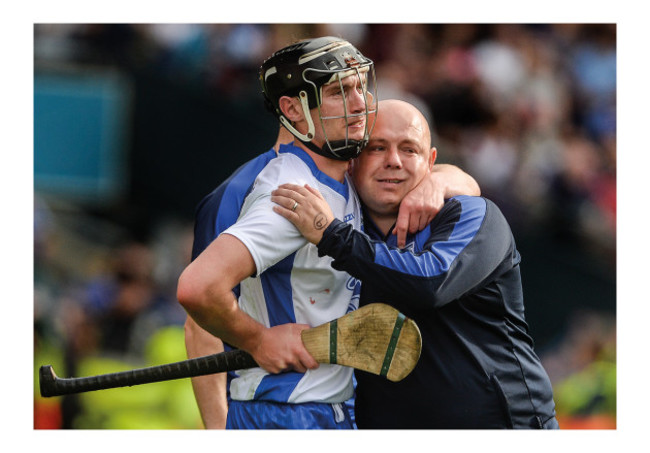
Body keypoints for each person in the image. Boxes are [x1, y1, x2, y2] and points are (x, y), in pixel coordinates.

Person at [178, 37, 480, 429]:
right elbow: (197, 292)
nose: (359, 104)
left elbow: (460, 181)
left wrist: (435, 183)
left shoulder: (343, 177)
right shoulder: (289, 197)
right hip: (285, 414)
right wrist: (258, 341)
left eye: (359, 86)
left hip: (331, 410)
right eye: (339, 91)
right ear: (293, 110)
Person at [272, 99, 559, 429]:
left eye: (409, 149)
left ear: (431, 161)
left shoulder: (473, 214)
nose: (393, 161)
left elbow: (429, 283)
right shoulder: (338, 218)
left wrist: (331, 235)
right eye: (377, 148)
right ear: (353, 160)